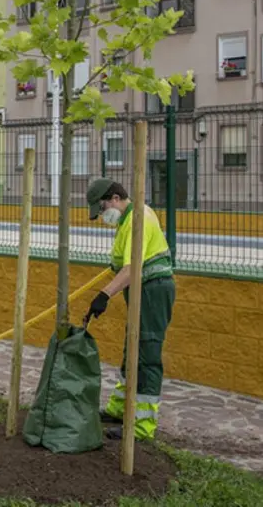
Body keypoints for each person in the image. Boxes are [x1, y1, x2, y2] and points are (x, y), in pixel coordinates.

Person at [83, 177, 175, 442]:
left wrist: (104, 295)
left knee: (146, 354)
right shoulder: (126, 221)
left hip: (154, 291)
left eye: (102, 209)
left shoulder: (139, 219)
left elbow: (132, 267)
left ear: (114, 199)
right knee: (131, 349)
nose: (103, 216)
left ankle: (141, 428)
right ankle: (120, 409)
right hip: (142, 290)